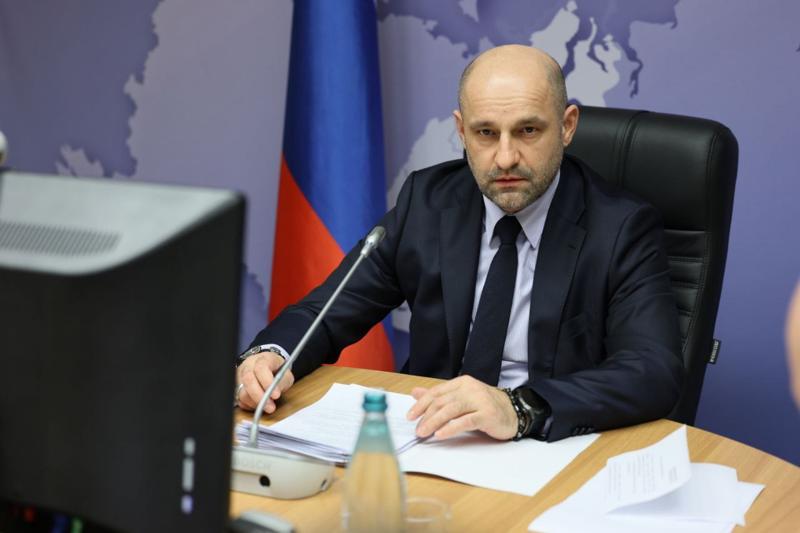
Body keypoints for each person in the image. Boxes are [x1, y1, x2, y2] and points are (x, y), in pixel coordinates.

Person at [236, 44, 683, 442]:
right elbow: (328, 312)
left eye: (528, 131)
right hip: (431, 440)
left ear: (567, 126)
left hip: (548, 444)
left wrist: (518, 408)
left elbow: (652, 370)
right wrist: (270, 355)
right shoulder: (428, 203)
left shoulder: (621, 227)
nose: (505, 158)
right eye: (486, 133)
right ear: (462, 130)